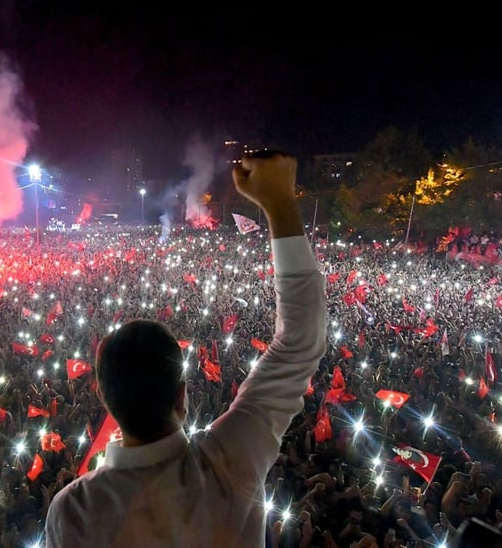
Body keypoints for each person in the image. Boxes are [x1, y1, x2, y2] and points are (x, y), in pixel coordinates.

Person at [44, 152, 326, 546]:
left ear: (102, 397)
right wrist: (279, 201)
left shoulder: (75, 510)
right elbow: (300, 340)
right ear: (183, 394)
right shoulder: (231, 460)